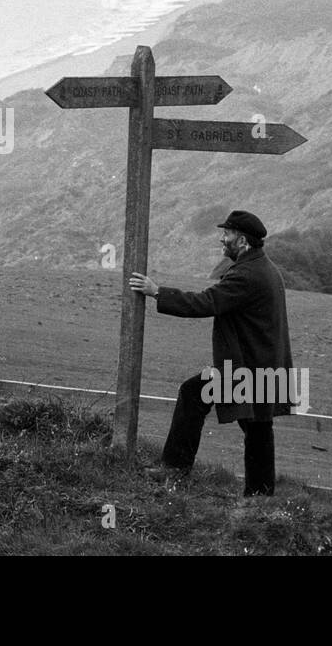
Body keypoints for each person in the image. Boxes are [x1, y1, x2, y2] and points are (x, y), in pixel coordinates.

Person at [127, 210, 294, 496]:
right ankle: (261, 497)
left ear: (241, 241)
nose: (221, 239)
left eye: (226, 234)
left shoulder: (247, 274)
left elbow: (206, 302)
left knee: (194, 394)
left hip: (248, 371)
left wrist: (157, 292)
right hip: (264, 366)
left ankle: (175, 470)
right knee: (258, 430)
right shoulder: (265, 267)